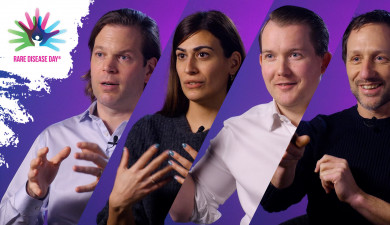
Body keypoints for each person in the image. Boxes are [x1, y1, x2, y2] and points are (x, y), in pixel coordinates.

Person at [169, 5, 331, 225]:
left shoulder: (352, 120)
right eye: (271, 56)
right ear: (261, 62)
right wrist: (173, 171)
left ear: (323, 62)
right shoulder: (239, 129)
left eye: (295, 55)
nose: (281, 70)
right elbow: (186, 211)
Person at [0, 8, 160, 225]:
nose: (108, 67)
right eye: (100, 54)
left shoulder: (172, 138)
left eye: (123, 57)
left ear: (149, 69)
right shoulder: (53, 138)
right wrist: (32, 193)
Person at [96, 10, 245, 225]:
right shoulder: (148, 129)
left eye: (202, 54)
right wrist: (118, 205)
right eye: (181, 56)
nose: (189, 68)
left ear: (233, 62)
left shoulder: (248, 132)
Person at [260, 9, 390, 225]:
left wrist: (357, 197)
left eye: (380, 58)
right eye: (356, 58)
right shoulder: (318, 131)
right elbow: (273, 203)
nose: (366, 72)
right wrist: (285, 165)